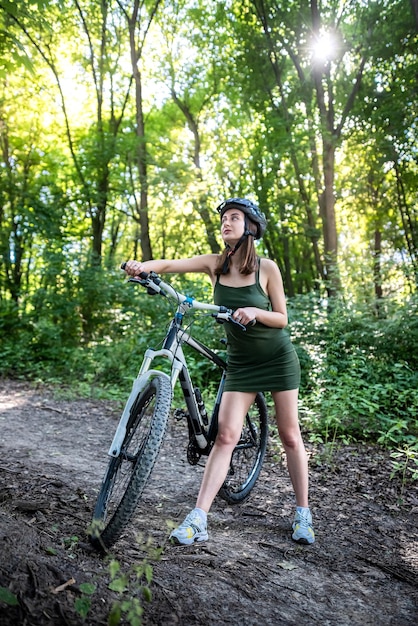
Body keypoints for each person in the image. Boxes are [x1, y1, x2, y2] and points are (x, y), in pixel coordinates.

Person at [124, 197, 315, 545]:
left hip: (277, 359)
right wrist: (141, 266)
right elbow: (169, 264)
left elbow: (282, 318)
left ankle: (303, 514)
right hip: (241, 365)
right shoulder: (216, 264)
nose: (226, 223)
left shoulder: (267, 268)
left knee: (290, 436)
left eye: (234, 218)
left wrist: (255, 312)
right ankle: (198, 520)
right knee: (225, 437)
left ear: (250, 227)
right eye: (224, 218)